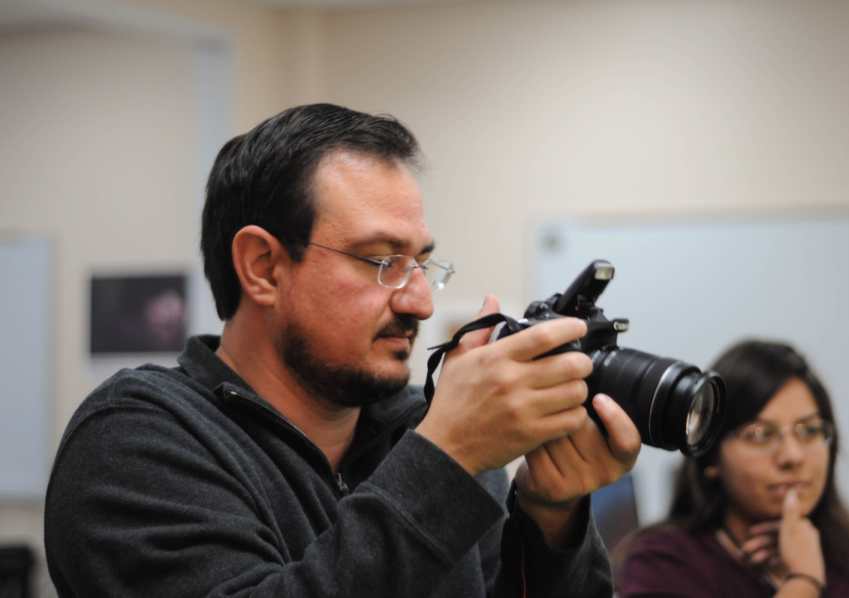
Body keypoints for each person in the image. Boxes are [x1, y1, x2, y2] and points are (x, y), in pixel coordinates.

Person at [45, 104, 641, 597]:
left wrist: (551, 516)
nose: (420, 303)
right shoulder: (135, 441)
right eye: (382, 262)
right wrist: (448, 458)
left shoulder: (423, 431)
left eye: (421, 264)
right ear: (264, 268)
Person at [618, 340, 849, 597]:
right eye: (760, 435)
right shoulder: (665, 563)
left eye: (810, 431)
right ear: (711, 456)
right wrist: (805, 580)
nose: (793, 456)